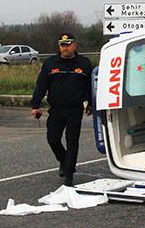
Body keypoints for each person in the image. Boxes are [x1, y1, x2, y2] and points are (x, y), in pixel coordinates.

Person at [30, 33, 93, 187]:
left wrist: (91, 104)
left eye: (68, 44)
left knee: (72, 142)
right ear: (59, 46)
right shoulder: (50, 64)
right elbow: (41, 85)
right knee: (53, 139)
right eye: (62, 45)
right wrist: (35, 105)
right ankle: (64, 161)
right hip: (56, 109)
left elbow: (90, 87)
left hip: (74, 110)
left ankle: (69, 175)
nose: (65, 48)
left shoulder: (84, 64)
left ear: (74, 45)